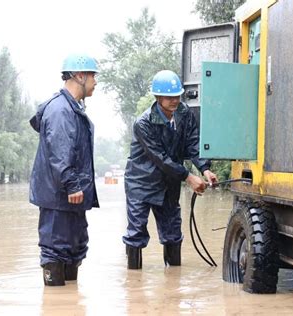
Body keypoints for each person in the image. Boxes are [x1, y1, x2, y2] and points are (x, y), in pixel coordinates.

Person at [123, 70, 218, 269]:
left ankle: (174, 280)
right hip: (141, 182)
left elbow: (193, 143)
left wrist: (205, 168)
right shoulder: (143, 123)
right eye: (169, 97)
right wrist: (188, 177)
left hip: (169, 182)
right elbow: (161, 158)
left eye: (177, 96)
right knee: (136, 232)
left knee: (173, 231)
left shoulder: (184, 114)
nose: (174, 101)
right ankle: (134, 282)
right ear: (158, 97)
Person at [29, 53, 100, 286]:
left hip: (71, 198)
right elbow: (60, 151)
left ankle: (68, 305)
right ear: (80, 76)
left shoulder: (74, 109)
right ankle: (53, 303)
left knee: (74, 249)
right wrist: (71, 184)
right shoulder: (60, 110)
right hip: (58, 197)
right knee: (55, 249)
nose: (96, 82)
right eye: (93, 76)